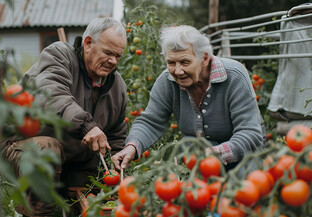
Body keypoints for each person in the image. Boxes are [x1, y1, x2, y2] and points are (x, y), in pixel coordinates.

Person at [1, 17, 128, 217]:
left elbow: (116, 133)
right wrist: (87, 125)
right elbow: (50, 93)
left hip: (73, 158)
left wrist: (117, 160)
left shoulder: (117, 86)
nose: (113, 61)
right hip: (24, 144)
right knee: (47, 149)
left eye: (118, 56)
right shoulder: (59, 56)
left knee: (88, 208)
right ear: (88, 43)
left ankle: (66, 205)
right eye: (108, 53)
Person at [112, 25, 265, 171]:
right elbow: (151, 121)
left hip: (242, 155)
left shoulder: (233, 77)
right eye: (171, 63)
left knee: (241, 193)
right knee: (186, 148)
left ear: (204, 58)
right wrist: (132, 146)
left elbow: (250, 133)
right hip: (201, 155)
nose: (178, 71)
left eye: (185, 62)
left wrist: (215, 153)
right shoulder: (168, 81)